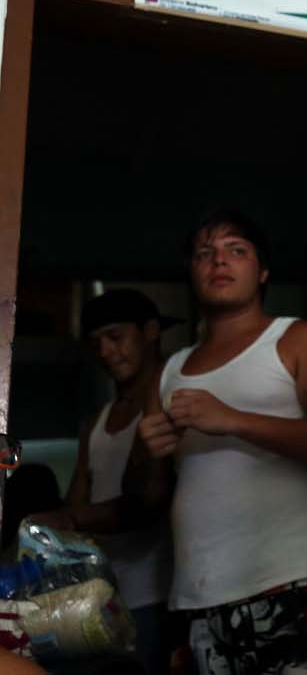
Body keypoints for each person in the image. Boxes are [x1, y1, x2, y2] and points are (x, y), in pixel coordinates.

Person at [127, 208, 307, 675]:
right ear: (192, 273)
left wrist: (233, 419)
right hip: (195, 597)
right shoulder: (169, 370)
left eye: (236, 251)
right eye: (204, 254)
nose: (219, 262)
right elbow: (146, 500)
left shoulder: (298, 339)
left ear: (263, 271)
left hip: (288, 582)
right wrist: (144, 452)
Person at [28, 289, 176, 674]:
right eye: (96, 344)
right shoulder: (94, 423)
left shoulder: (175, 403)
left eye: (115, 337)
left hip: (158, 597)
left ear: (150, 331)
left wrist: (73, 520)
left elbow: (149, 501)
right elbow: (74, 511)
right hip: (100, 604)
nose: (107, 352)